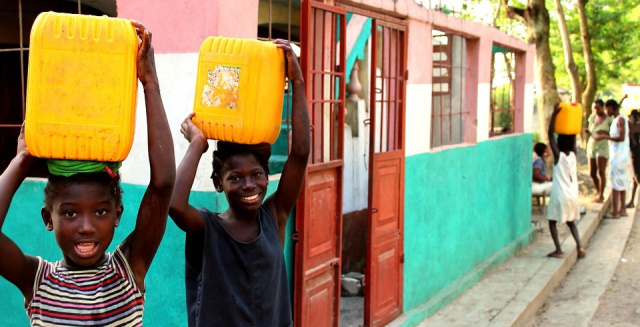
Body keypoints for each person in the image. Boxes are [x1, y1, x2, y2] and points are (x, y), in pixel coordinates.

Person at [0, 21, 175, 325]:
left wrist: (150, 83)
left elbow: (163, 185)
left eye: (100, 212)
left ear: (117, 215)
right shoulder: (37, 281)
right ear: (47, 219)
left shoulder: (129, 269)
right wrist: (23, 160)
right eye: (69, 214)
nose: (86, 227)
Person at [169, 39, 310, 326]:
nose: (249, 185)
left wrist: (297, 82)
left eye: (256, 175)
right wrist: (198, 144)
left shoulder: (275, 216)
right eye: (235, 178)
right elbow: (174, 206)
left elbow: (300, 153)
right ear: (218, 184)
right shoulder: (206, 228)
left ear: (266, 175)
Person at [546, 104, 585, 259]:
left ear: (560, 143)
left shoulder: (559, 157)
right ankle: (580, 247)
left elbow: (550, 134)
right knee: (571, 223)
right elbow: (573, 135)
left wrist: (554, 114)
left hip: (560, 195)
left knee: (552, 221)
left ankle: (558, 250)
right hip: (573, 195)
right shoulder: (573, 156)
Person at [593, 98, 632, 218]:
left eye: (606, 108)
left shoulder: (620, 119)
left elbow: (621, 137)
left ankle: (615, 211)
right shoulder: (617, 120)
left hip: (619, 157)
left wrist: (605, 136)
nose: (606, 111)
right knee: (621, 182)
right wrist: (605, 134)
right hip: (619, 155)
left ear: (611, 108)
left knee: (615, 184)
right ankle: (622, 210)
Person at [585, 99, 613, 203]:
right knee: (592, 172)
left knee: (601, 171)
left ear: (602, 107)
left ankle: (601, 195)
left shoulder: (609, 119)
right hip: (592, 145)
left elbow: (614, 134)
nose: (596, 110)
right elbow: (590, 129)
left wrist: (604, 134)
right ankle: (599, 193)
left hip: (603, 146)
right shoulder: (592, 117)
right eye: (594, 108)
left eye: (598, 108)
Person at [627, 109, 640, 208]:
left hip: (636, 154)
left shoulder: (633, 126)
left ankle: (632, 201)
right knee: (635, 178)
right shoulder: (632, 125)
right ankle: (631, 201)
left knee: (637, 178)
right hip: (634, 154)